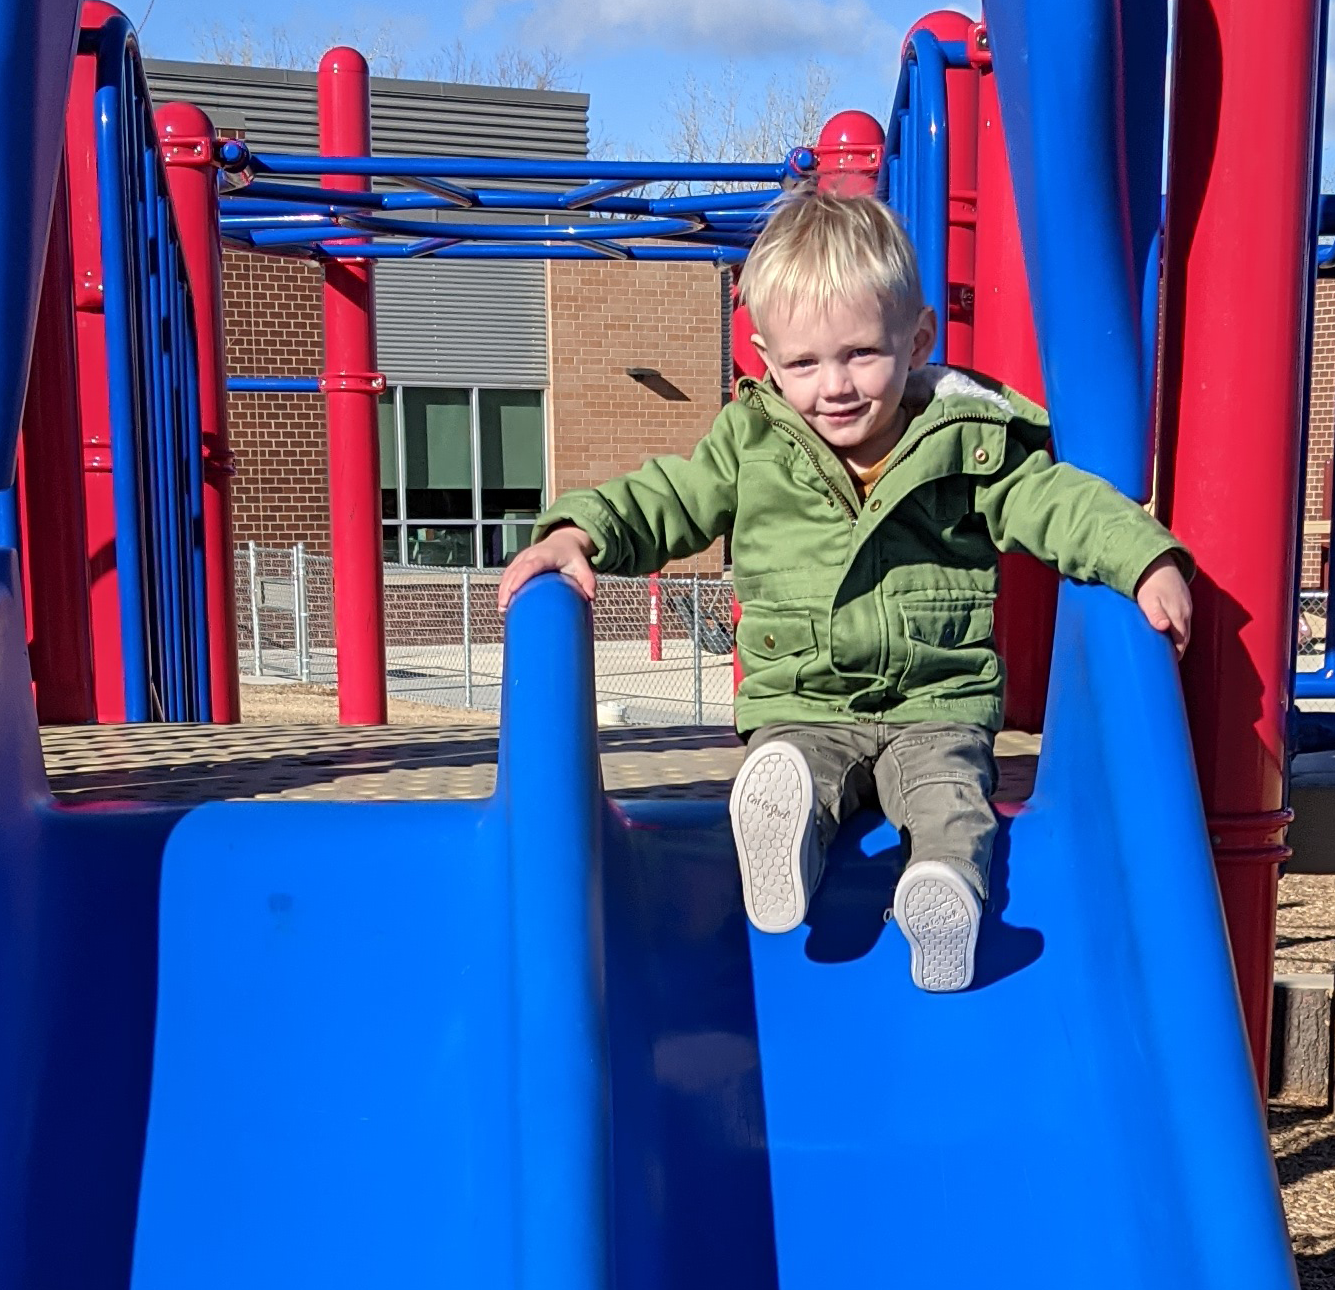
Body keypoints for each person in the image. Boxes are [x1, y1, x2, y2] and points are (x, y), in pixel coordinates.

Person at [497, 188, 1193, 992]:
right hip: (804, 696)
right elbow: (668, 499)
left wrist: (1140, 556)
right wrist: (575, 530)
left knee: (949, 799)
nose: (833, 385)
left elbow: (1053, 502)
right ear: (764, 358)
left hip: (935, 700)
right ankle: (782, 845)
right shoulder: (751, 443)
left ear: (916, 338)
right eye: (802, 363)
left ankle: (942, 893)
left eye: (861, 354)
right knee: (797, 771)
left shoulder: (964, 440)